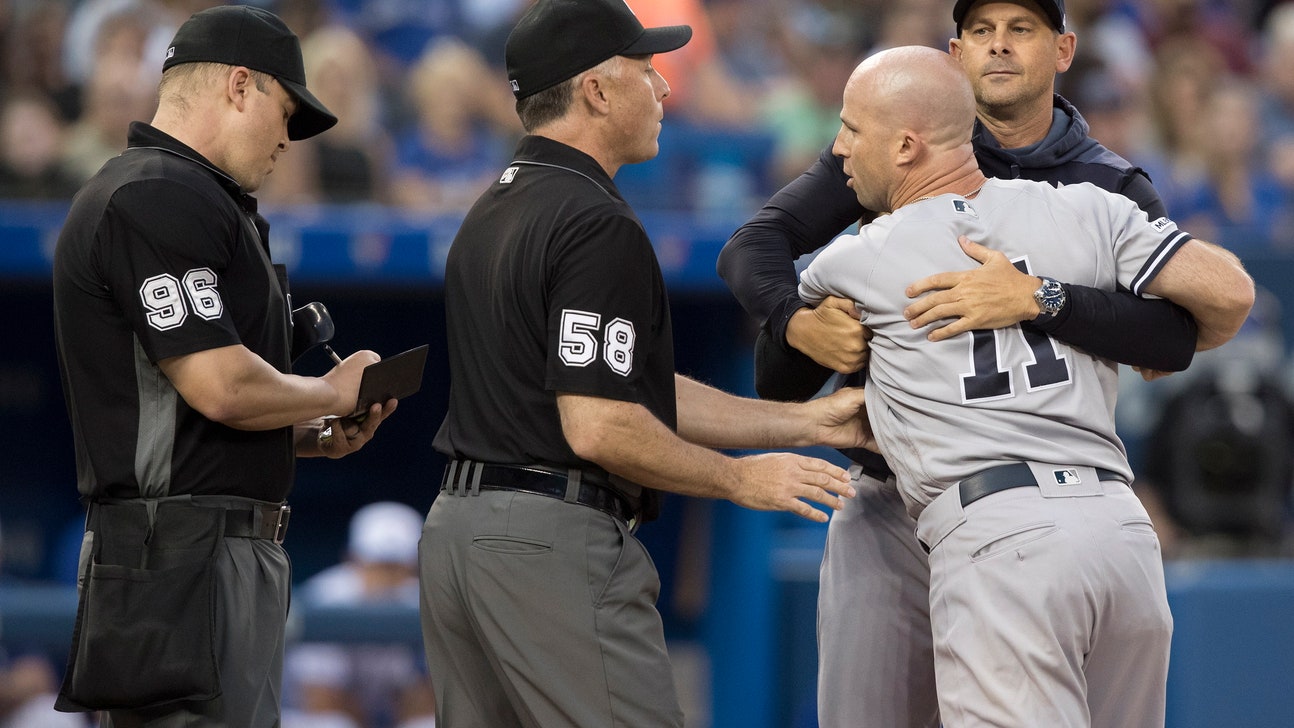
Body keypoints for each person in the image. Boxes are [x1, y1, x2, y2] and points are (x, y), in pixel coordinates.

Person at [715, 0, 1236, 725]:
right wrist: (797, 322)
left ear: (1062, 50)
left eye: (1019, 30)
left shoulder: (1101, 186)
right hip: (902, 494)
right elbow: (753, 247)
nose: (997, 48)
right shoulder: (916, 141)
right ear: (953, 55)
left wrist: (1037, 298)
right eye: (981, 32)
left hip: (1007, 506)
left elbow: (1174, 339)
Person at [418, 1, 873, 725]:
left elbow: (627, 388)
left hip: (461, 535)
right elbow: (599, 423)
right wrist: (738, 478)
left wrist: (805, 419)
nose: (664, 89)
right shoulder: (593, 219)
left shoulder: (497, 206)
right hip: (549, 540)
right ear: (596, 90)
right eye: (646, 69)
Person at [50, 6, 398, 726]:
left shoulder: (202, 199)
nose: (286, 141)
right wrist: (327, 390)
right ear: (240, 86)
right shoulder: (154, 193)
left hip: (207, 548)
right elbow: (219, 385)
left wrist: (306, 431)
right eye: (285, 112)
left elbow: (179, 420)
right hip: (177, 556)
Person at [284, 501, 434, 728]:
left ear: (413, 566)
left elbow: (425, 700)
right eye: (376, 565)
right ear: (352, 558)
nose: (385, 577)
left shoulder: (426, 604)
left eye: (395, 566)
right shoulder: (325, 600)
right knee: (333, 725)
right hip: (305, 714)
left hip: (385, 714)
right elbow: (322, 700)